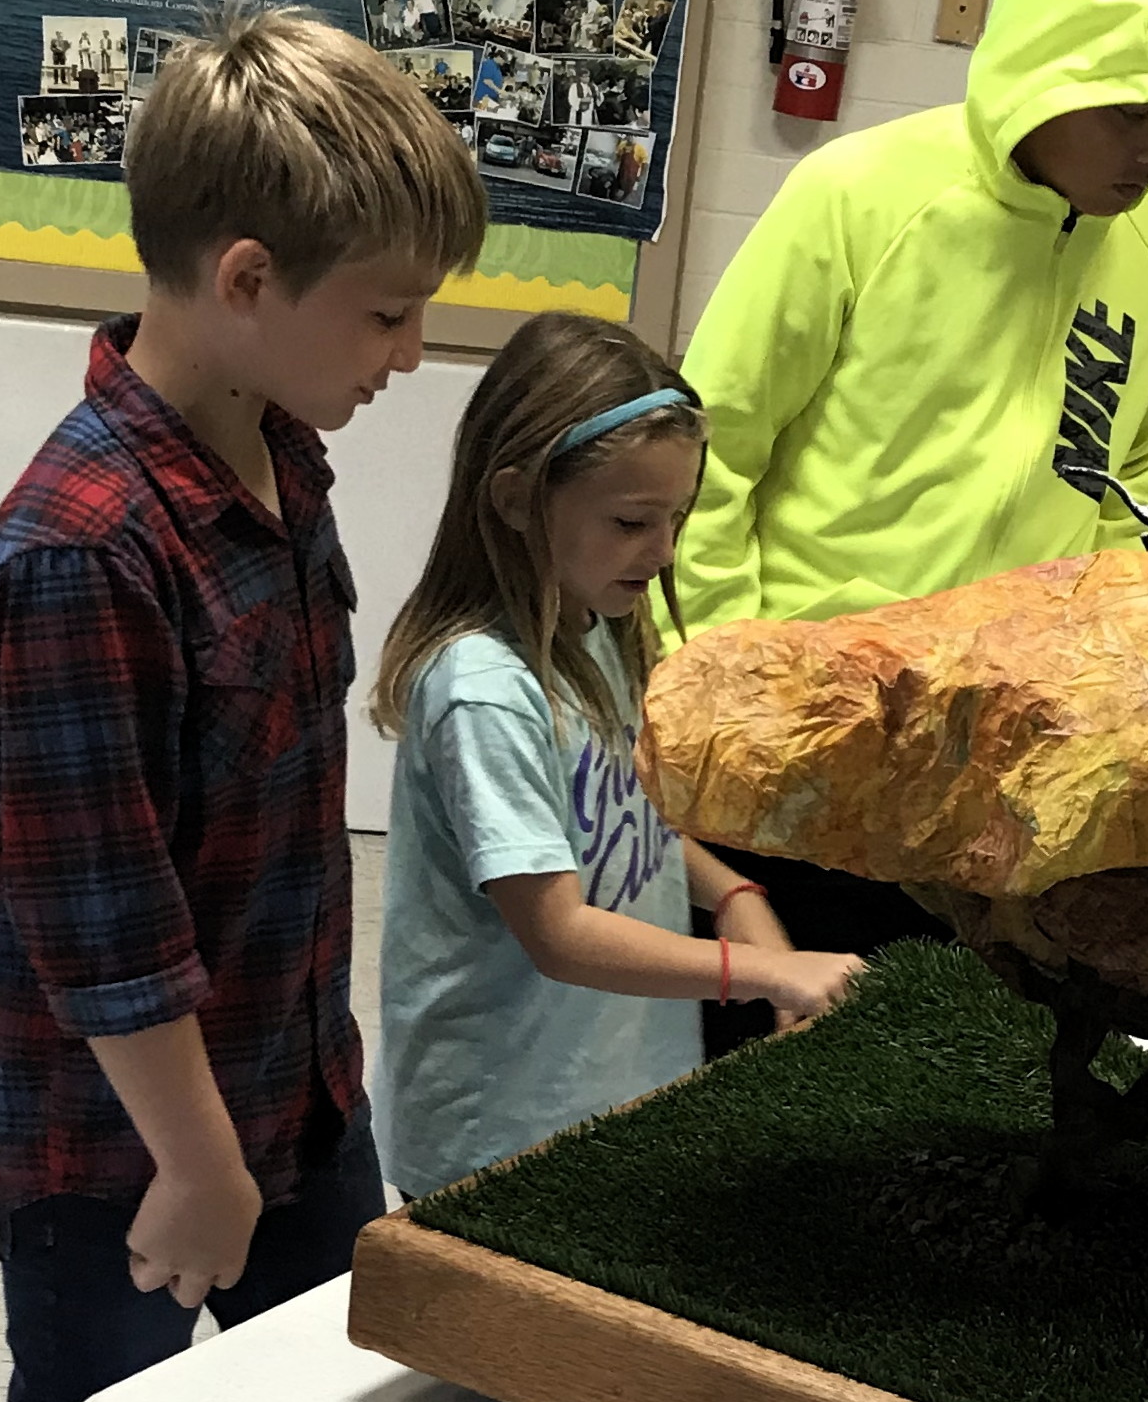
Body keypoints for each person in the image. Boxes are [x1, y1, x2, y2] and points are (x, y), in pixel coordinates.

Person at [0, 0, 488, 1402]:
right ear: (247, 281)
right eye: (387, 315)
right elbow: (102, 928)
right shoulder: (79, 553)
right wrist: (192, 1163)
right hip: (127, 1142)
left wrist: (280, 1126)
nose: (409, 356)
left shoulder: (273, 448)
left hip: (289, 1084)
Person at [667, 0, 1148, 977]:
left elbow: (1128, 479)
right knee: (763, 1075)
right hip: (810, 731)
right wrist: (733, 681)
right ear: (1048, 68)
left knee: (955, 1070)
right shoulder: (857, 195)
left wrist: (1099, 695)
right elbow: (711, 446)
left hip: (1010, 759)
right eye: (1131, 108)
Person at [367, 313, 864, 1200]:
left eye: (676, 517)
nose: (665, 551)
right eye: (634, 520)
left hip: (611, 1091)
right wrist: (765, 971)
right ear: (517, 498)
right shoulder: (484, 689)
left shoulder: (595, 626)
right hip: (501, 1128)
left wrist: (734, 893)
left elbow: (620, 815)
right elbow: (557, 930)